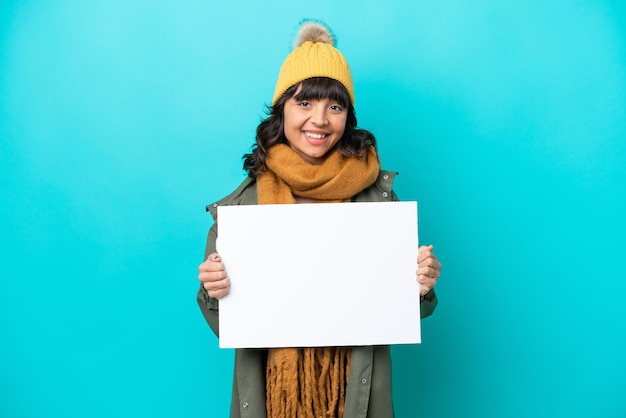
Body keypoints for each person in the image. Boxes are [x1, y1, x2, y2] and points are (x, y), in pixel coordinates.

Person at [197, 20, 442, 418]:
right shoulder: (244, 207)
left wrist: (421, 285)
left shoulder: (379, 201)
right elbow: (226, 324)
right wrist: (213, 288)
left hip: (355, 390)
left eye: (335, 106)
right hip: (274, 397)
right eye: (305, 103)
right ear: (282, 111)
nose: (320, 120)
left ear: (348, 116)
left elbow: (406, 311)